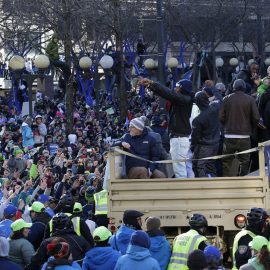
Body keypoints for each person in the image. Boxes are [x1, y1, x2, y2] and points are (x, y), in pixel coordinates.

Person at [139, 78, 194, 178]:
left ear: (183, 89)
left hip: (179, 138)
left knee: (179, 168)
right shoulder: (184, 99)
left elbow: (168, 93)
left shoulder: (184, 99)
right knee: (183, 167)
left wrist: (152, 84)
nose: (175, 89)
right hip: (179, 137)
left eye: (177, 87)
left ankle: (182, 191)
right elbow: (169, 94)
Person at [219, 79, 260, 176]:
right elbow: (256, 117)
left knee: (226, 162)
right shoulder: (250, 99)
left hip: (229, 136)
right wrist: (250, 125)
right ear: (244, 87)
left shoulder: (226, 99)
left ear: (234, 87)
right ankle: (243, 181)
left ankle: (226, 182)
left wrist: (227, 124)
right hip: (245, 136)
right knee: (244, 161)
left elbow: (221, 117)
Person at [27, 213, 92, 270]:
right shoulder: (80, 240)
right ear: (70, 225)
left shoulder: (47, 242)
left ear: (53, 227)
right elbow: (91, 258)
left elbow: (35, 262)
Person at [191, 89, 222, 177]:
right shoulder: (215, 107)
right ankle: (213, 185)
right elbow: (219, 97)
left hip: (204, 146)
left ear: (197, 103)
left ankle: (202, 187)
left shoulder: (198, 120)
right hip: (216, 143)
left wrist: (193, 147)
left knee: (199, 167)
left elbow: (195, 137)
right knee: (210, 166)